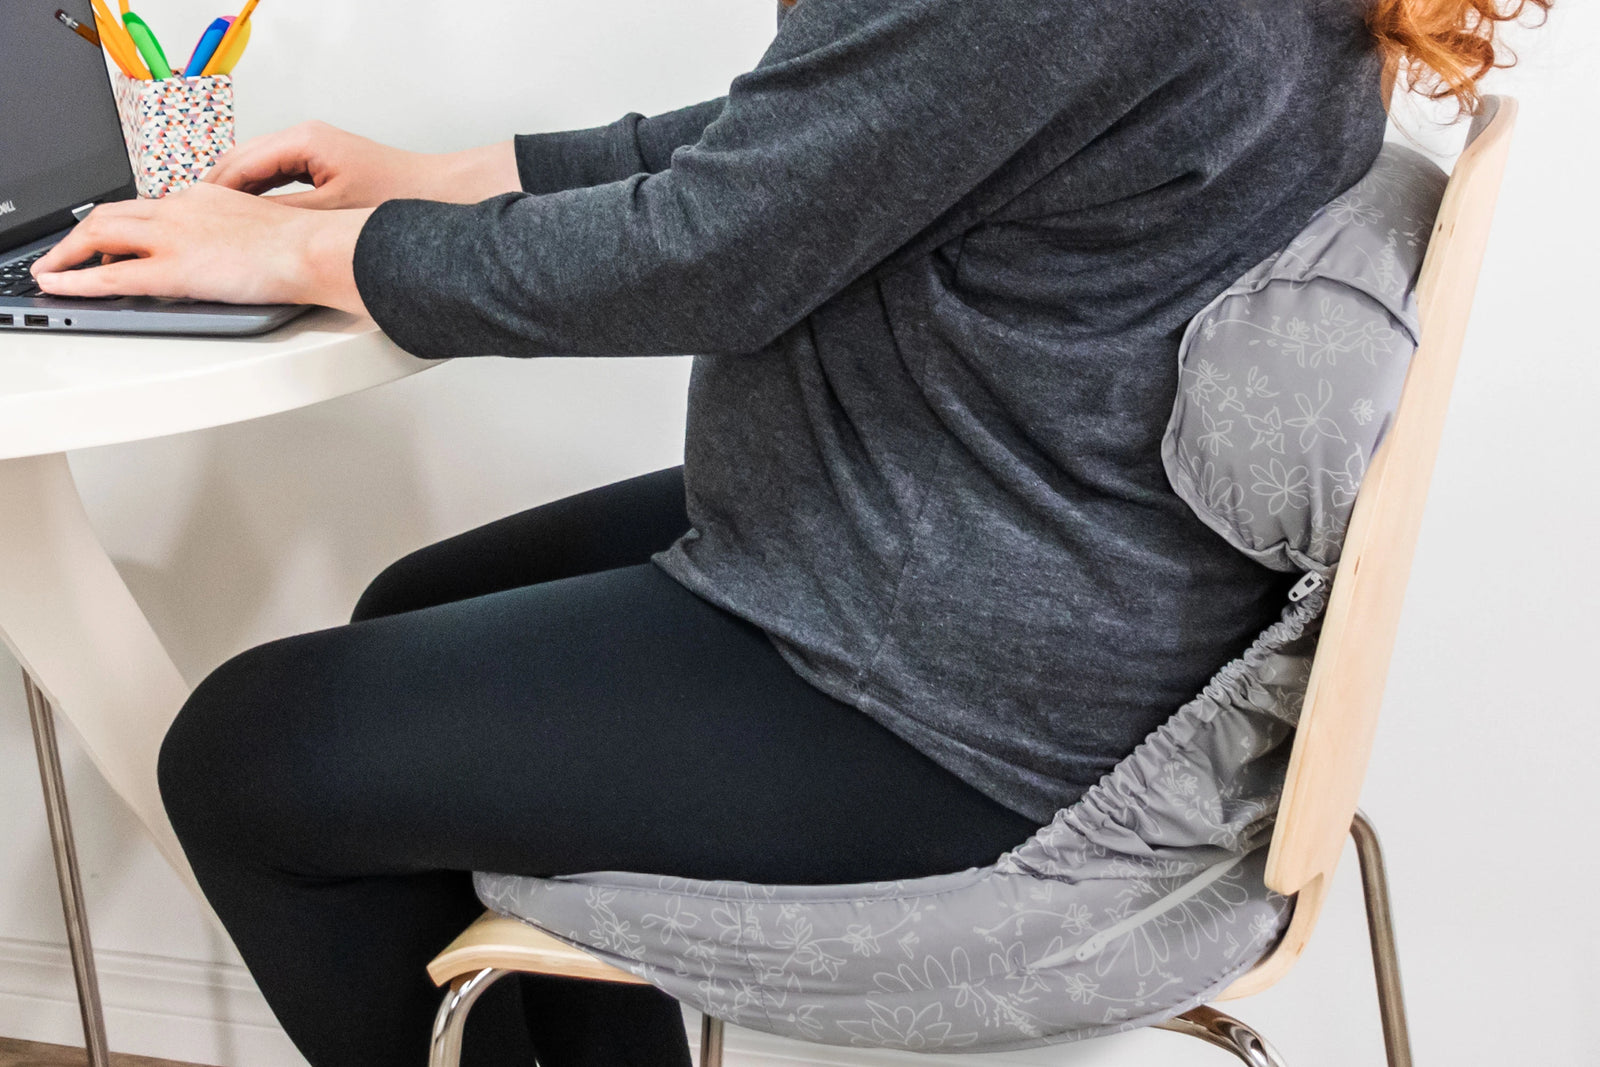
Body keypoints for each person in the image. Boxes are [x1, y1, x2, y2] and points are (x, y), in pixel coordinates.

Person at [31, 0, 1547, 1063]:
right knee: (414, 608)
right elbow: (848, 133)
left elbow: (712, 252)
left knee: (249, 758)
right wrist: (440, 180)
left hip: (965, 693)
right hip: (1011, 558)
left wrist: (305, 249)